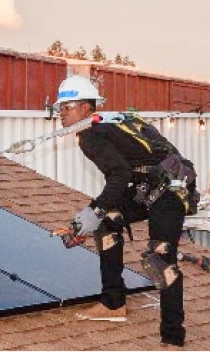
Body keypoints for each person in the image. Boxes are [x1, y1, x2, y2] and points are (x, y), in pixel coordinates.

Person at [53, 75, 199, 347]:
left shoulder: (90, 135)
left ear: (86, 107)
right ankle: (113, 304)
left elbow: (119, 176)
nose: (61, 113)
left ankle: (173, 338)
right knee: (108, 221)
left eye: (67, 107)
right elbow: (139, 164)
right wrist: (96, 215)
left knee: (161, 258)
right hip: (154, 185)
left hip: (169, 190)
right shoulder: (110, 120)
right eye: (59, 108)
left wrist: (91, 212)